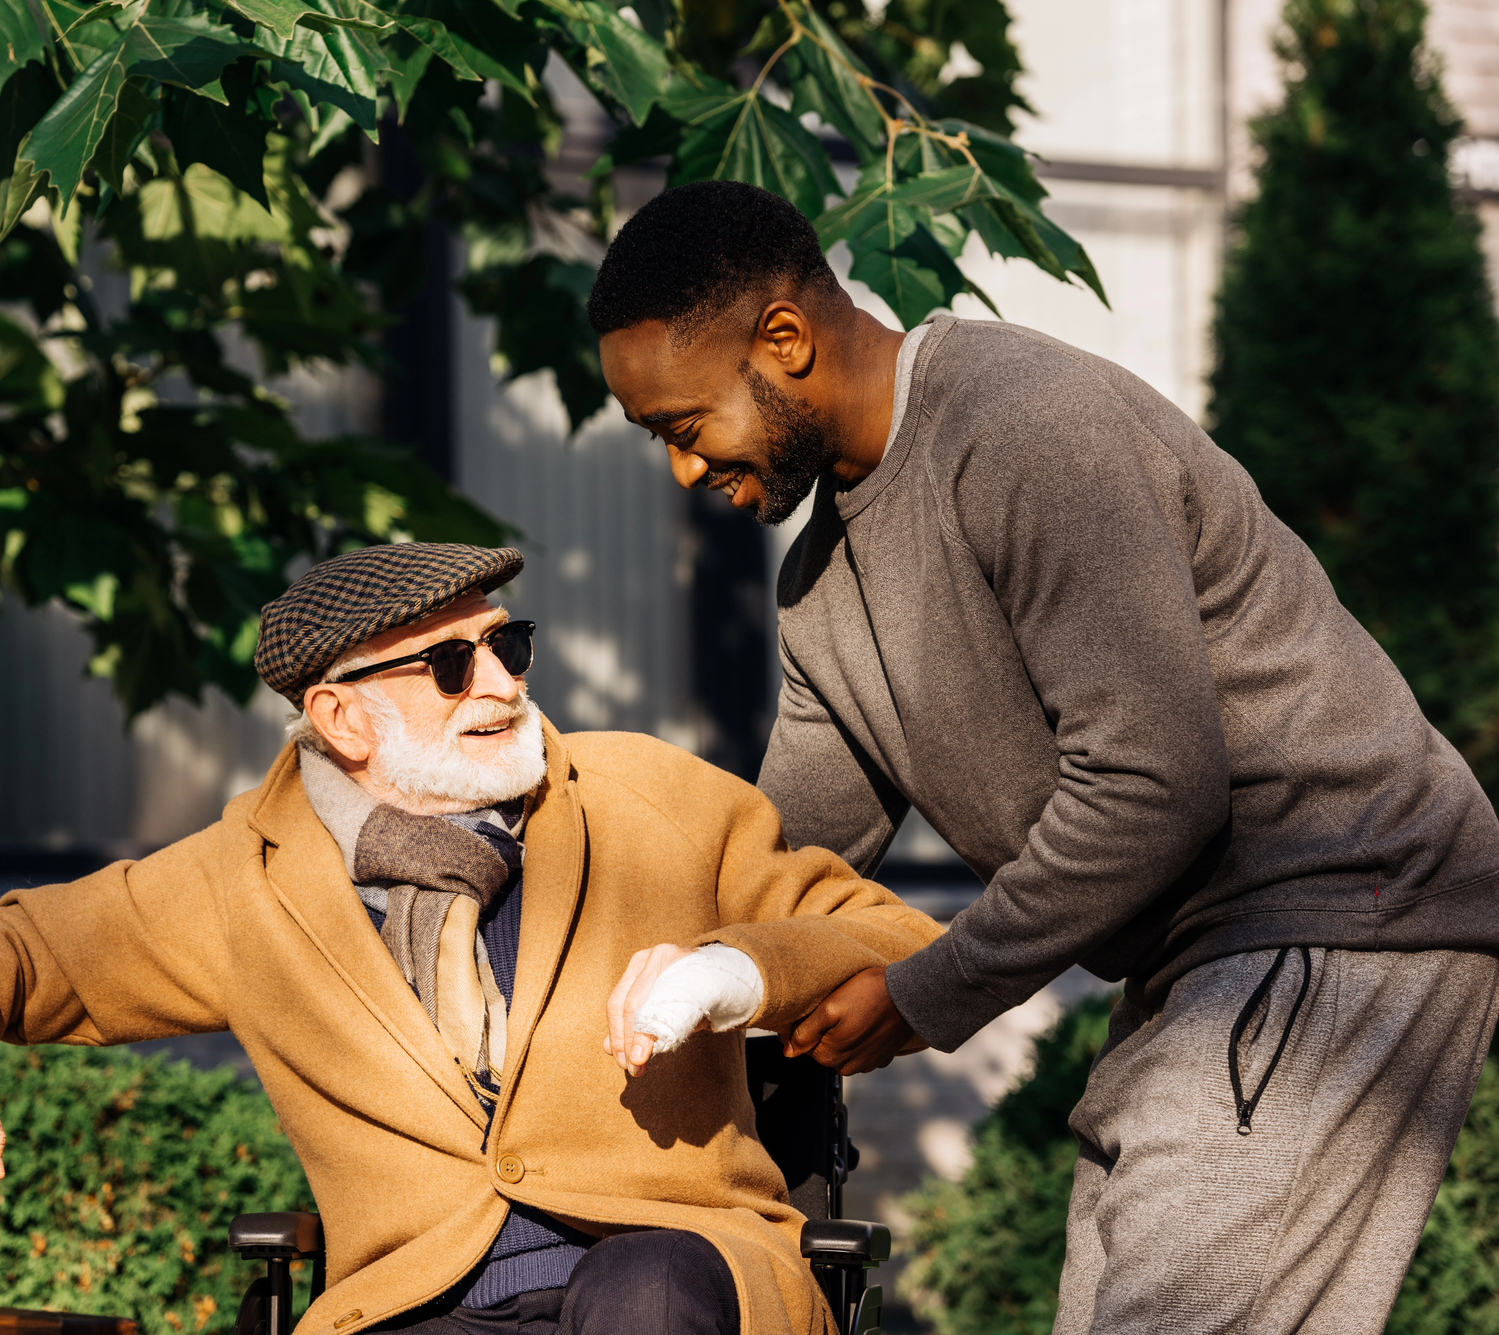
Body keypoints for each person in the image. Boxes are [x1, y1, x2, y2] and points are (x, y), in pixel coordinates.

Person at [587, 179, 1499, 1335]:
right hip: (1193, 965)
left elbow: (1151, 784)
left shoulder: (1019, 427)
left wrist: (925, 992)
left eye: (684, 425)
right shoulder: (818, 589)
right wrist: (639, 961)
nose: (680, 471)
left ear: (784, 339)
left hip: (1335, 912)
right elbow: (787, 858)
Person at [0, 542, 942, 1335]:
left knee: (640, 1298)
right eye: (452, 667)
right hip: (415, 1298)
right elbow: (15, 945)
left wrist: (732, 969)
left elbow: (888, 932)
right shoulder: (244, 876)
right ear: (341, 718)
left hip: (665, 1273)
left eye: (506, 645)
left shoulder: (651, 799)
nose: (507, 685)